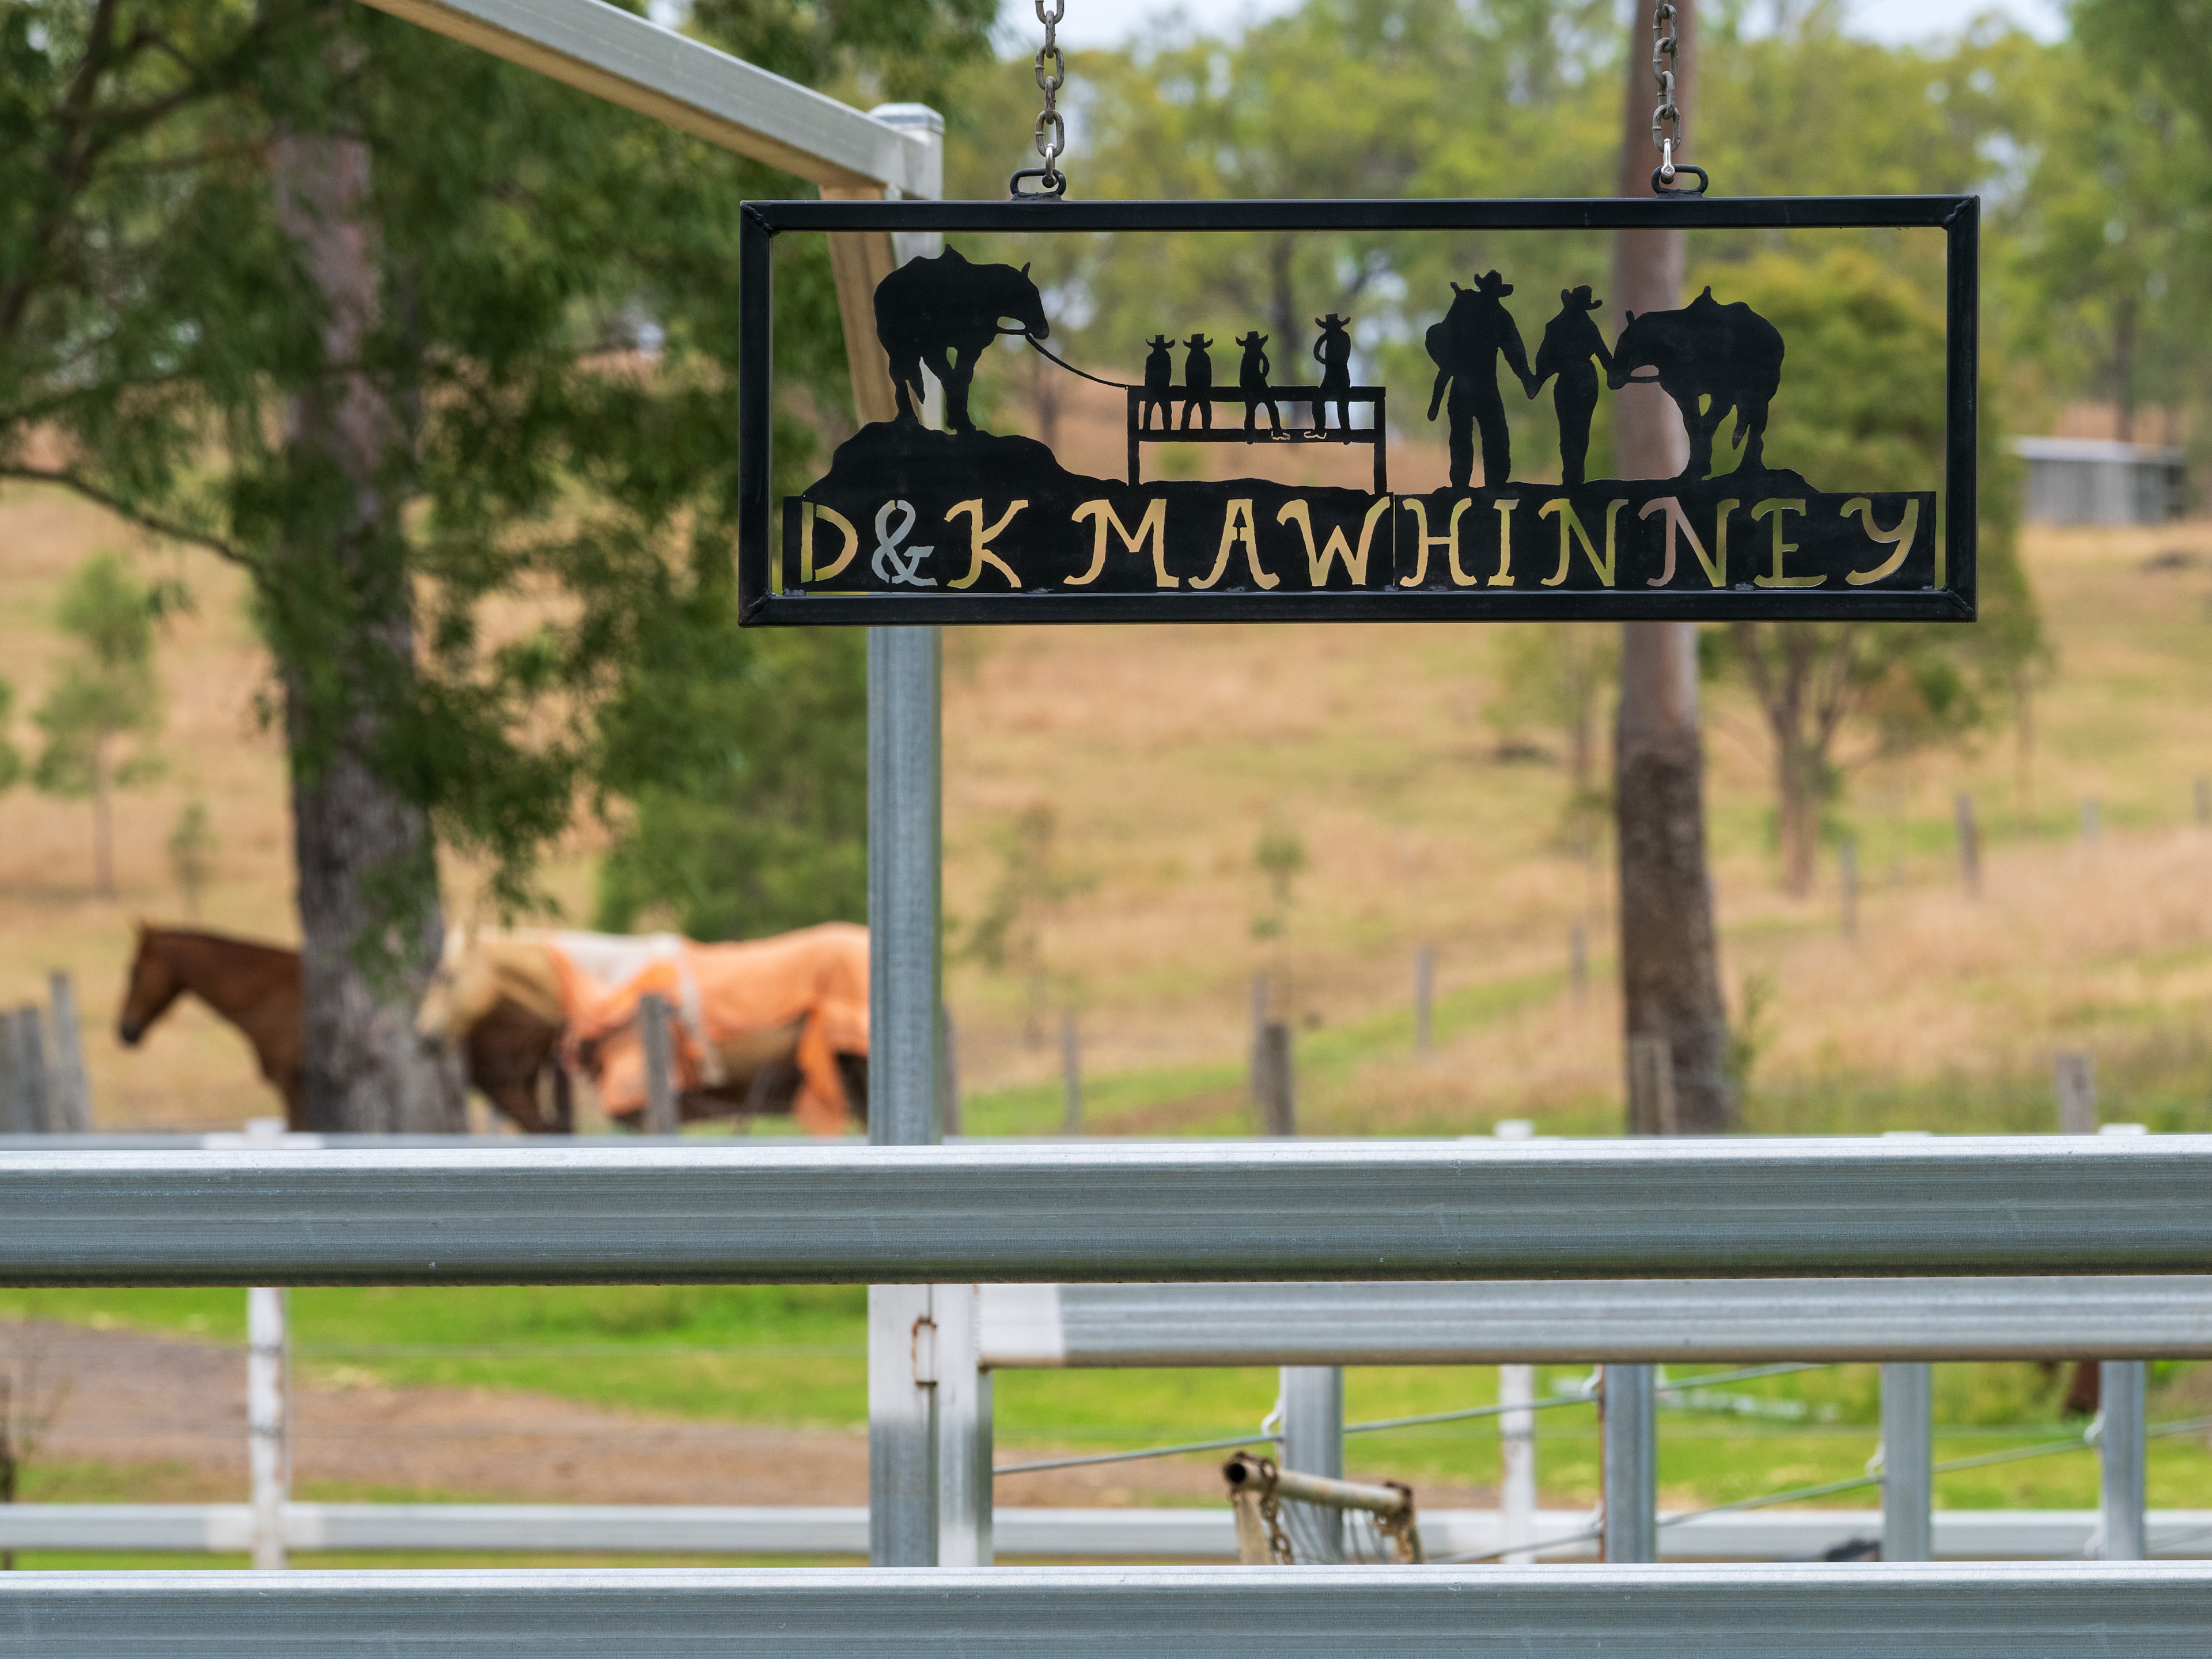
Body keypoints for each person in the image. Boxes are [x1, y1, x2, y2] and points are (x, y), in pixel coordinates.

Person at [1424, 271, 1536, 488]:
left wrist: (1526, 379)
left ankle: (1474, 484)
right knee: (1486, 436)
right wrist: (1527, 379)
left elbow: (1443, 337)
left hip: (1470, 387)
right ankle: (1475, 483)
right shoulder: (1494, 313)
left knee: (1472, 437)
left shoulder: (1470, 307)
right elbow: (1515, 354)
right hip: (1483, 388)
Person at [1529, 285, 1613, 489]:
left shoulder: (1556, 326)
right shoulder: (1588, 327)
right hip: (1586, 382)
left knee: (1568, 434)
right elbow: (1607, 360)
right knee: (1580, 434)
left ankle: (1572, 479)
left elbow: (1541, 360)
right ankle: (1575, 480)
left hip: (1568, 384)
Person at [1311, 313, 1353, 433]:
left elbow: (1316, 352)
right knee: (1339, 402)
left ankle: (1344, 430)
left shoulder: (1334, 336)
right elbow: (1316, 352)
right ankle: (1322, 428)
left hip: (1337, 375)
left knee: (1341, 403)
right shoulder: (1337, 336)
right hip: (1336, 375)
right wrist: (1323, 360)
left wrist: (1325, 361)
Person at [1236, 331, 1280, 434]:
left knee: (1252, 408)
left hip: (1253, 384)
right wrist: (1262, 376)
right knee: (1268, 406)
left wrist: (1261, 376)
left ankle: (1250, 432)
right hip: (1258, 384)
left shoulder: (1248, 356)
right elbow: (1266, 366)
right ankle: (1276, 429)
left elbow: (1265, 366)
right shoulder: (1258, 354)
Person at [1180, 333, 1215, 431]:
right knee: (1193, 410)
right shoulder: (1202, 357)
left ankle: (1202, 429)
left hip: (1198, 389)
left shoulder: (1195, 357)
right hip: (1198, 389)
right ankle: (1204, 430)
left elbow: (1189, 373)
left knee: (1192, 410)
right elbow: (1208, 374)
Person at [1141, 335, 1174, 431]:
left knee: (1149, 410)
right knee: (1166, 410)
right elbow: (1168, 372)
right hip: (1162, 389)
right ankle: (1167, 430)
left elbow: (1148, 375)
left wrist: (1148, 388)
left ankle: (1147, 429)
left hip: (1153, 389)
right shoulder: (1166, 357)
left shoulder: (1151, 358)